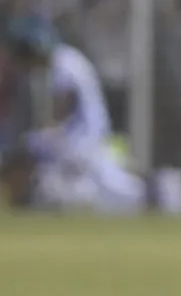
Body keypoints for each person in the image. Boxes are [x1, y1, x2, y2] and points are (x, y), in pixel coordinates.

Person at [0, 13, 148, 212]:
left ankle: (23, 195)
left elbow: (62, 110)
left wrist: (45, 132)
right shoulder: (67, 58)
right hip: (83, 141)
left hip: (81, 142)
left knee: (26, 145)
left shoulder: (63, 62)